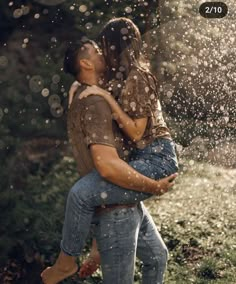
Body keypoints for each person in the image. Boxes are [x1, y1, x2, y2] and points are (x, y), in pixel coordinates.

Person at [41, 21, 178, 284]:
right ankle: (66, 261)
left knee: (81, 194)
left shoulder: (121, 83)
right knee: (155, 259)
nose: (102, 51)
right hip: (130, 180)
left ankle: (66, 261)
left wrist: (154, 186)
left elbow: (134, 134)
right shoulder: (93, 98)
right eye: (96, 50)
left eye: (103, 46)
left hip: (154, 158)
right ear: (87, 65)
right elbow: (105, 166)